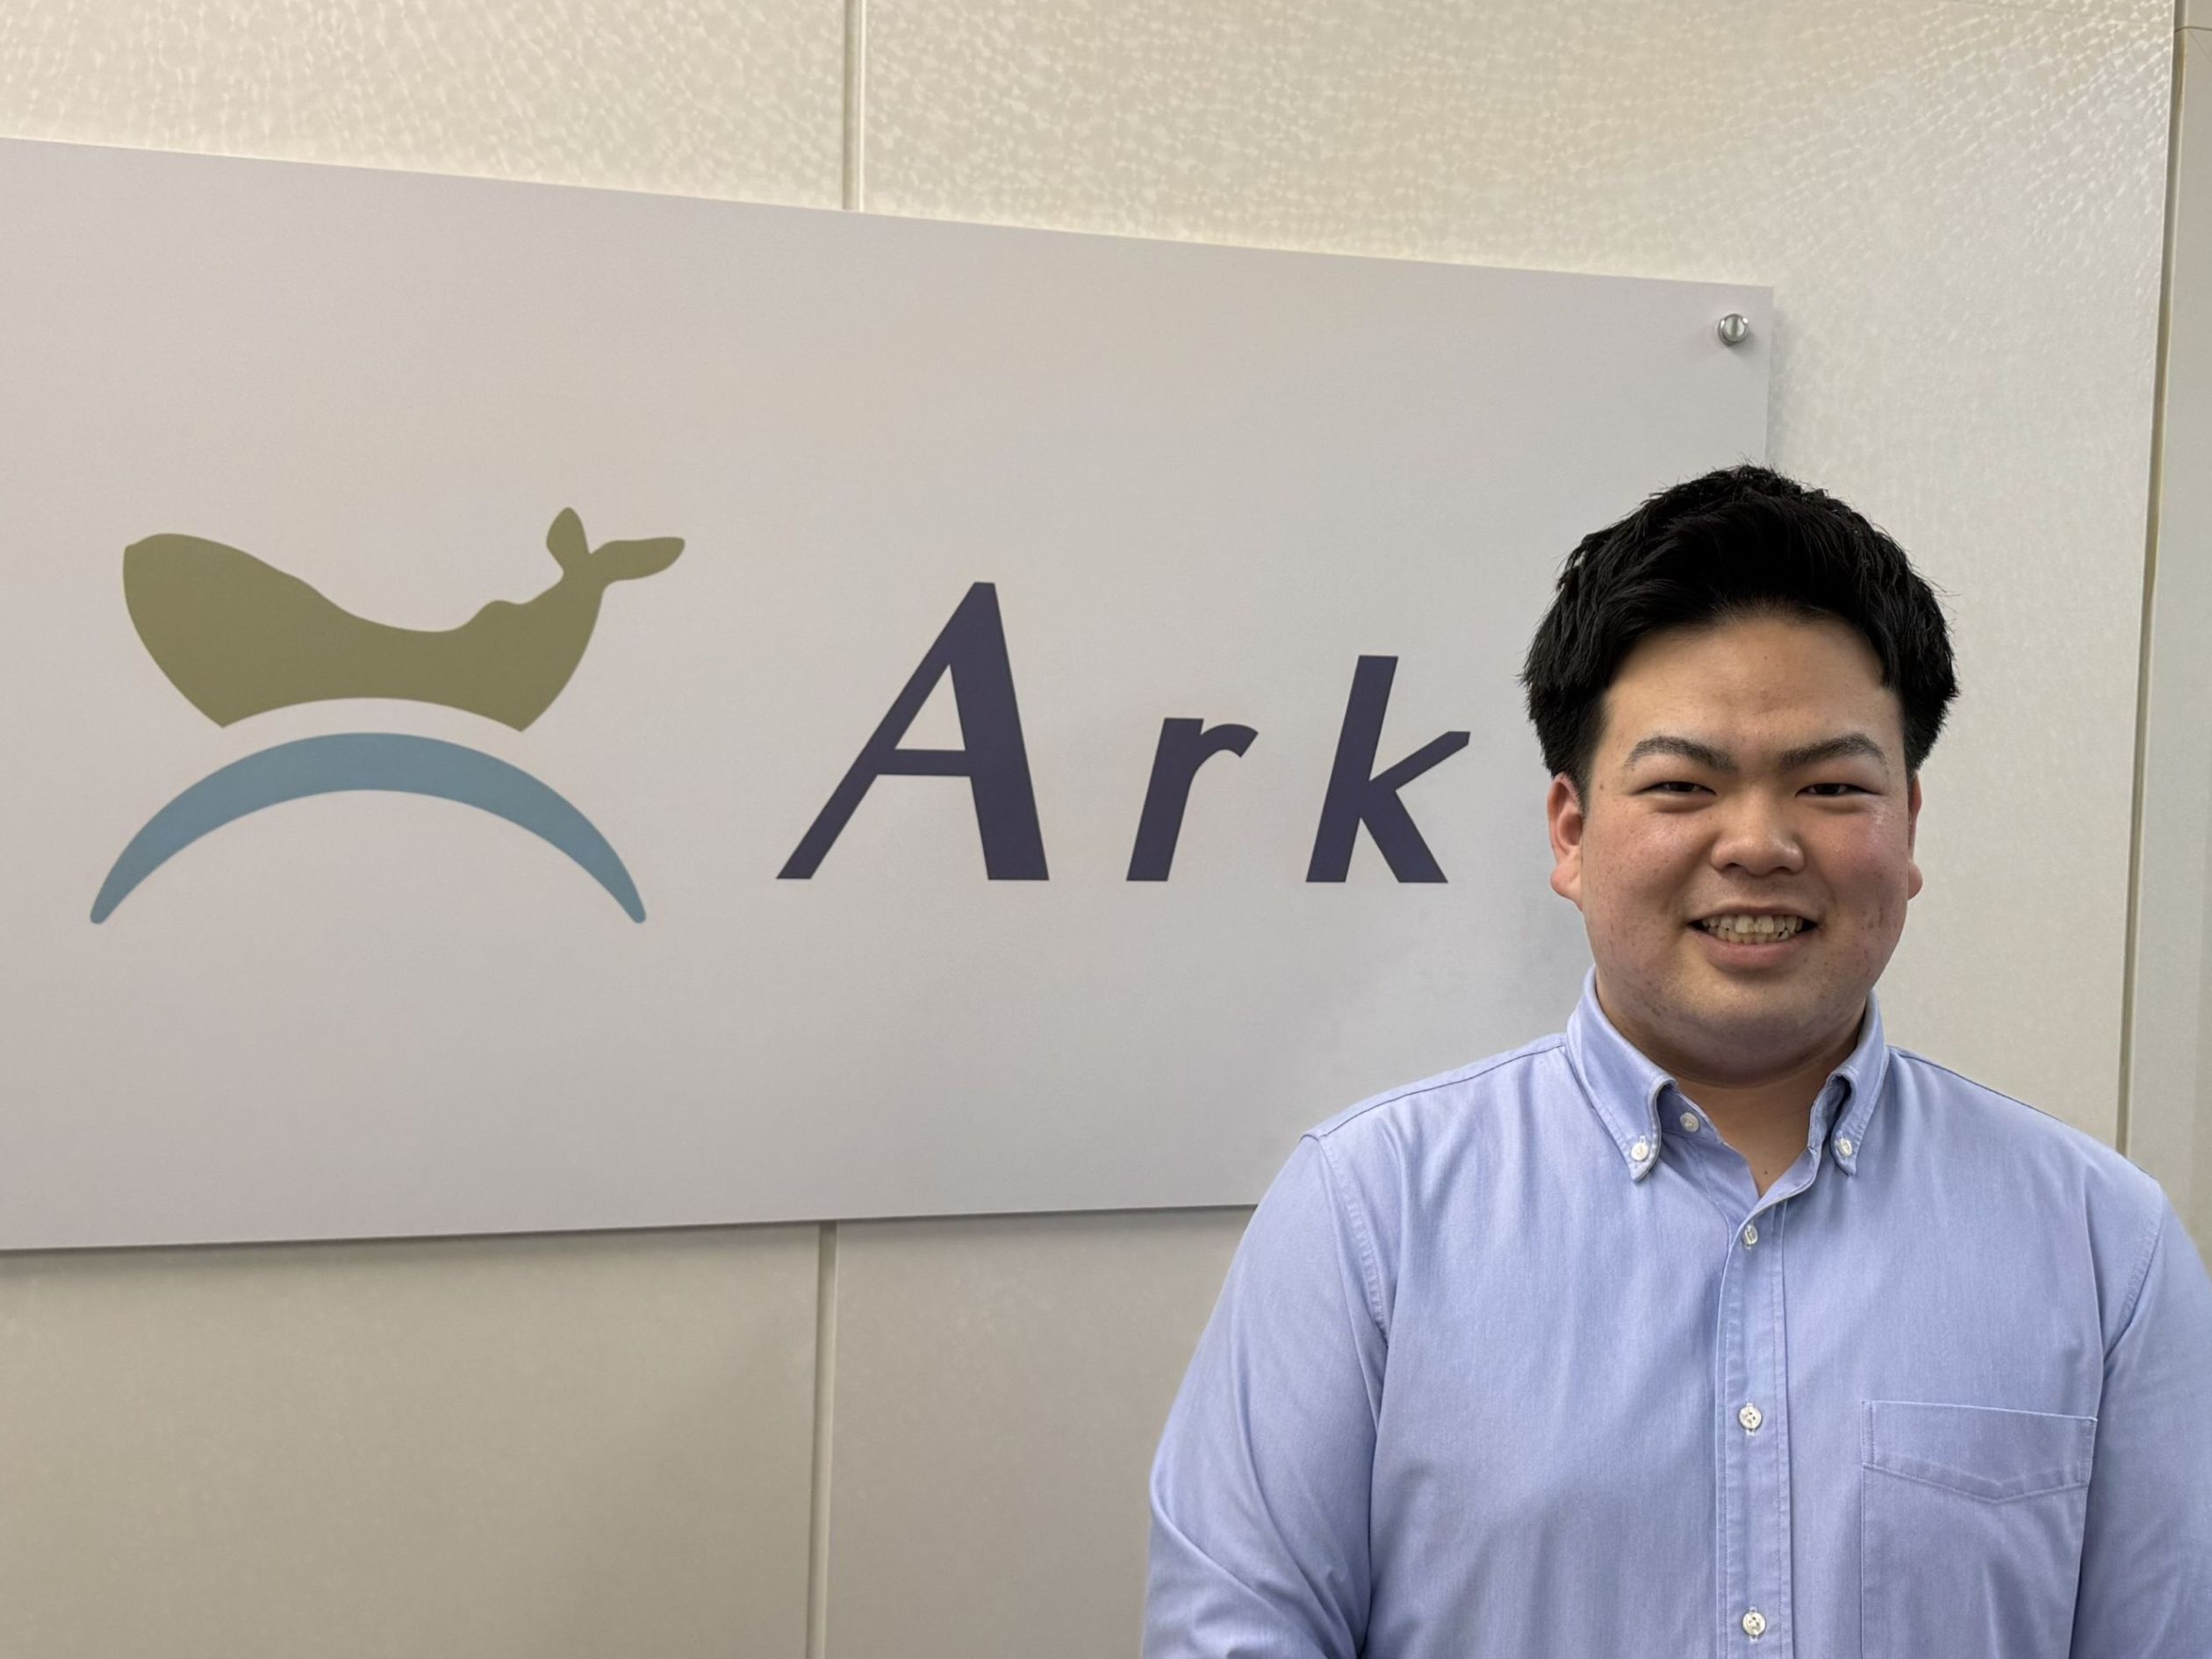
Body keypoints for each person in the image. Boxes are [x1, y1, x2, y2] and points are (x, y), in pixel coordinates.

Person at [1143, 465, 2212, 1659]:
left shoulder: (2104, 1245)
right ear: (1571, 831)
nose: (1758, 842)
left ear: (1908, 825)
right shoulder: (1369, 1214)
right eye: (1683, 786)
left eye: (1831, 785)